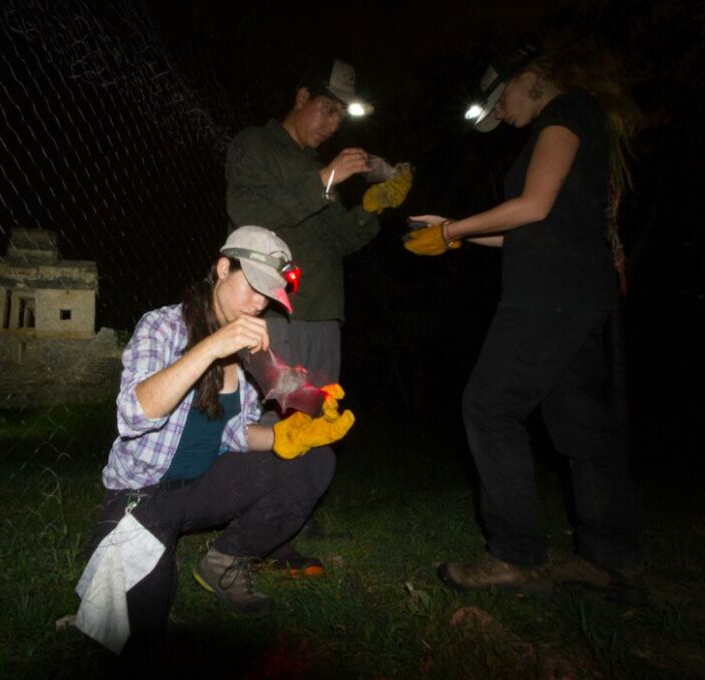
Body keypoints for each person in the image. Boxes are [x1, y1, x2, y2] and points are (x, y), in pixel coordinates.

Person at [404, 42, 646, 605]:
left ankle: (514, 556)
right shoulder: (581, 114)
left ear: (529, 78)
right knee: (579, 419)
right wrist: (454, 231)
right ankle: (611, 559)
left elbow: (533, 206)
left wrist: (452, 231)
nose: (502, 115)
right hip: (578, 293)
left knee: (489, 406)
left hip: (549, 295)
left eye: (501, 101)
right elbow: (528, 228)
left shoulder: (563, 114)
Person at [75, 226, 355, 658]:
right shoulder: (162, 326)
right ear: (223, 268)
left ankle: (224, 559)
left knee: (314, 461)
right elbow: (134, 414)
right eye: (253, 287)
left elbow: (233, 433)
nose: (259, 304)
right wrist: (211, 346)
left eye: (269, 295)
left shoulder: (249, 352)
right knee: (136, 637)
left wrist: (290, 435)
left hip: (201, 489)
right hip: (142, 496)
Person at [225, 58, 412, 576]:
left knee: (315, 421)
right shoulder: (255, 146)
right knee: (274, 417)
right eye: (327, 110)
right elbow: (249, 214)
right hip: (275, 308)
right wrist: (327, 177)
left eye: (340, 118)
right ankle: (252, 532)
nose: (332, 125)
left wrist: (374, 205)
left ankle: (287, 519)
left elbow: (341, 239)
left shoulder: (314, 171)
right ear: (301, 96)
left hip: (324, 311)